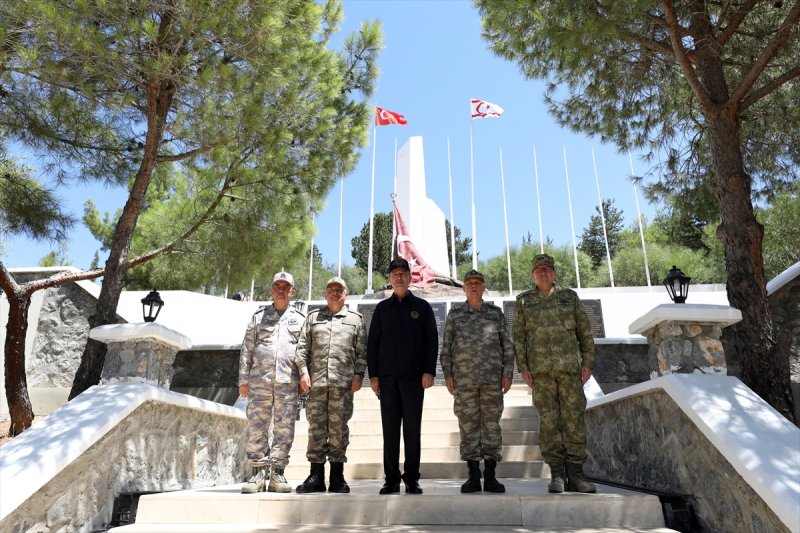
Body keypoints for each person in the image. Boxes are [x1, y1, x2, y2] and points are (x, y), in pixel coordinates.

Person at [513, 253, 596, 494]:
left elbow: (584, 331)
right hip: (541, 373)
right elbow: (519, 338)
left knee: (574, 422)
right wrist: (523, 368)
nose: (543, 273)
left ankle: (577, 475)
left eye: (547, 269)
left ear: (554, 273)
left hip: (570, 370)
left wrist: (588, 361)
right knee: (549, 424)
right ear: (532, 274)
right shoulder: (523, 301)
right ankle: (557, 475)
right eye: (538, 269)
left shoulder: (569, 297)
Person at [367, 257, 438, 495]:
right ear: (389, 278)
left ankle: (411, 478)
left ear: (410, 277)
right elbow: (373, 344)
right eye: (394, 273)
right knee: (390, 431)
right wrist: (373, 376)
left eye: (403, 273)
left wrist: (429, 370)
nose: (399, 277)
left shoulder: (422, 307)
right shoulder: (381, 309)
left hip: (413, 380)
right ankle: (391, 480)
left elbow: (432, 341)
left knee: (412, 431)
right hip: (387, 381)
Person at [440, 269, 515, 493]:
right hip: (464, 382)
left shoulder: (495, 314)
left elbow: (507, 346)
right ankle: (473, 475)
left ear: (483, 287)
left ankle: (490, 476)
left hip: (492, 381)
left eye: (478, 283)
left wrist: (508, 373)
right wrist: (448, 374)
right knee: (468, 427)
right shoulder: (455, 315)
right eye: (470, 283)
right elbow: (446, 349)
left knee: (491, 427)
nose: (474, 286)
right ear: (463, 288)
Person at [294, 276, 367, 494]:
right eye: (331, 289)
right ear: (325, 294)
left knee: (338, 430)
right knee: (316, 429)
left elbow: (362, 351)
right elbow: (301, 349)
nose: (335, 292)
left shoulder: (355, 320)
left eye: (339, 289)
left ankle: (337, 476)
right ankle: (315, 476)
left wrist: (358, 375)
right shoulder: (313, 318)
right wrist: (303, 373)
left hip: (342, 385)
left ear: (345, 294)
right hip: (316, 384)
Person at [238, 271, 304, 493]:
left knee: (284, 429)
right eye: (278, 286)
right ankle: (257, 474)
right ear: (271, 289)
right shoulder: (258, 317)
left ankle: (277, 474)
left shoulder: (300, 319)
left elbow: (304, 352)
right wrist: (243, 379)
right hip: (259, 382)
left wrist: (304, 375)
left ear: (292, 291)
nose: (281, 290)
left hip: (288, 382)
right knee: (257, 427)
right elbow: (247, 349)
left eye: (286, 286)